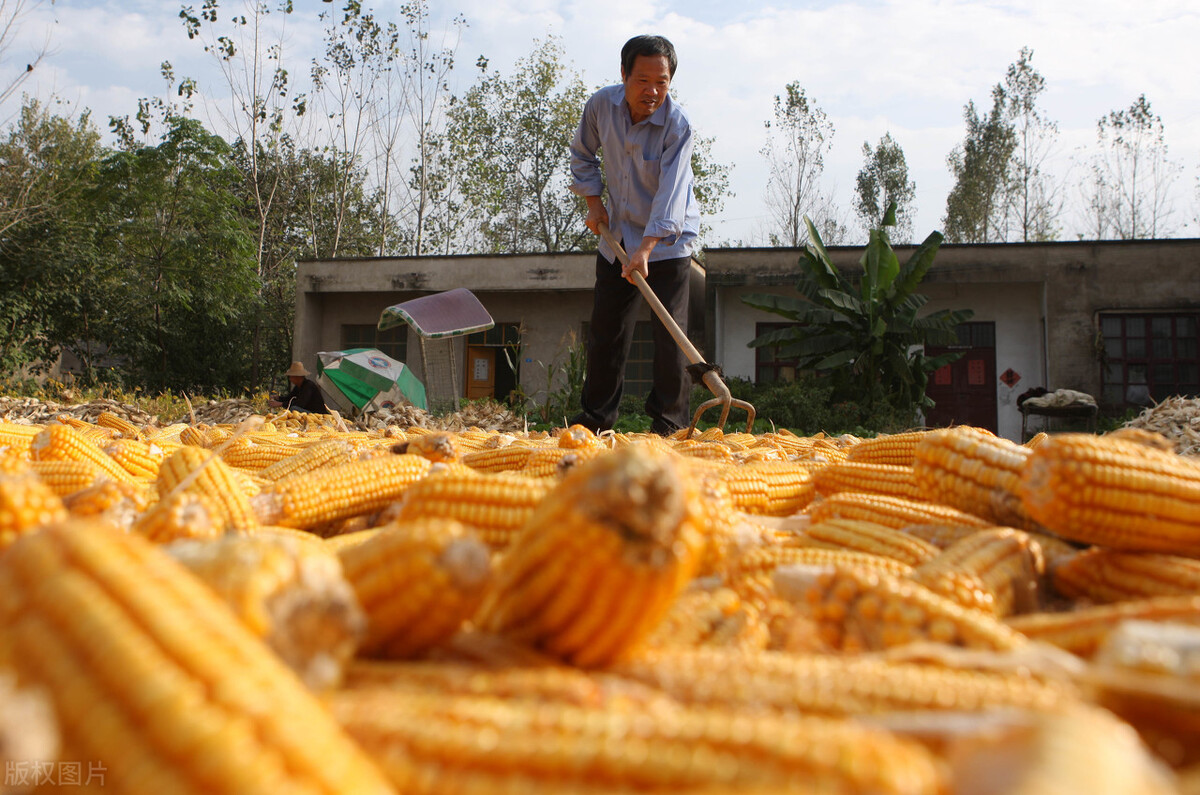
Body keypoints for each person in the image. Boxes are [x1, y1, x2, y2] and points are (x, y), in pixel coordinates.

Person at [567, 34, 700, 436]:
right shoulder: (600, 107)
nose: (652, 91)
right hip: (617, 237)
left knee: (669, 338)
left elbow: (671, 193)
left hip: (669, 243)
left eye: (662, 82)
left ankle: (669, 424)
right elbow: (582, 154)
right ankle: (595, 421)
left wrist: (646, 247)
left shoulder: (678, 126)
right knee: (607, 331)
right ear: (623, 74)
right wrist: (593, 203)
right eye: (643, 80)